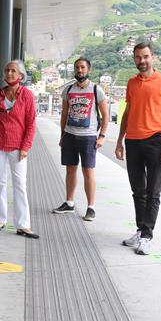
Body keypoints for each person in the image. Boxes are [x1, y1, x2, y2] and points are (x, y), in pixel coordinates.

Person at [115, 42, 161, 255]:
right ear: (134, 59)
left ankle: (147, 236)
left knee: (153, 192)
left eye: (146, 57)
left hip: (156, 141)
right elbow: (127, 113)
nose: (142, 61)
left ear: (153, 57)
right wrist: (119, 141)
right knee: (138, 191)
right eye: (138, 57)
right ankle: (141, 231)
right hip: (132, 142)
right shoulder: (131, 83)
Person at [52, 58, 109, 221]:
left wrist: (102, 136)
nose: (79, 70)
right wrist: (62, 135)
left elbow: (105, 116)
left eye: (82, 67)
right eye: (77, 67)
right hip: (70, 134)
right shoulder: (68, 90)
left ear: (88, 70)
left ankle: (91, 207)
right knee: (70, 169)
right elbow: (64, 113)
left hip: (89, 136)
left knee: (88, 170)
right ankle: (69, 203)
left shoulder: (96, 89)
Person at [0, 60, 39, 238]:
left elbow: (31, 124)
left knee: (20, 185)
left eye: (13, 71)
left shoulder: (27, 95)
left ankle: (23, 225)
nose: (9, 73)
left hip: (18, 146)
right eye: (7, 70)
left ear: (21, 75)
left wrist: (26, 147)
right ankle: (0, 220)